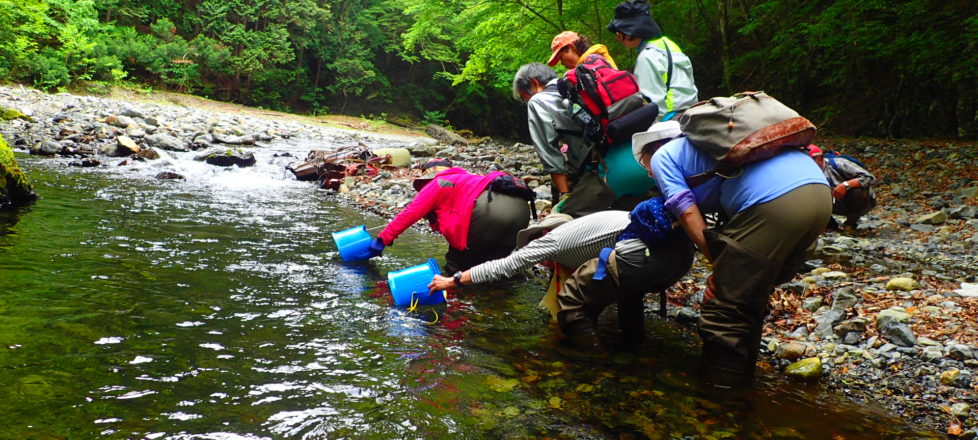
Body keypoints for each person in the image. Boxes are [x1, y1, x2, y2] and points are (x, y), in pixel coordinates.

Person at [635, 122, 831, 386]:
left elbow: (686, 211)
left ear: (652, 149)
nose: (650, 174)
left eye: (644, 166)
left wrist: (721, 266)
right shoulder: (715, 149)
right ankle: (744, 384)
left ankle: (721, 401)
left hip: (777, 202)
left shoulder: (663, 156)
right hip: (820, 193)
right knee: (751, 292)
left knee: (724, 309)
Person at [428, 207, 694, 351]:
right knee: (627, 293)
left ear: (544, 233)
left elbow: (507, 266)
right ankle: (634, 349)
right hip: (679, 258)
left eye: (534, 244)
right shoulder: (585, 231)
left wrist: (455, 280)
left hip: (643, 257)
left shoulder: (555, 238)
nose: (539, 259)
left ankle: (589, 361)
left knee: (573, 301)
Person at [369, 158, 531, 273]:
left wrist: (383, 239)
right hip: (523, 213)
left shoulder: (438, 183)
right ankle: (494, 303)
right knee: (496, 268)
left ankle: (454, 311)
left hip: (488, 214)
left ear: (429, 176)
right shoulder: (470, 179)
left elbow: (410, 213)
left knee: (457, 265)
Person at [512, 63, 597, 208]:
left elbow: (548, 151)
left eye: (523, 97)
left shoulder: (538, 101)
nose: (525, 102)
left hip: (596, 165)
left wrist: (564, 195)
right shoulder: (572, 86)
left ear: (534, 83)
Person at [607, 0, 698, 122]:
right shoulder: (668, 44)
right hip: (692, 113)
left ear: (633, 31)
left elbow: (653, 107)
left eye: (620, 32)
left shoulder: (647, 57)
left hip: (671, 119)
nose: (618, 38)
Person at [808, 145, 877, 233]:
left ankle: (850, 224)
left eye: (814, 159)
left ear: (821, 157)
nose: (811, 163)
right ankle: (830, 226)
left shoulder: (839, 163)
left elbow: (870, 178)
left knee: (858, 191)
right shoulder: (805, 173)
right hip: (831, 204)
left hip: (859, 202)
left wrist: (846, 185)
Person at [547, 31, 618, 70]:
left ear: (572, 47)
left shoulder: (593, 65)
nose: (562, 63)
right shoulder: (601, 58)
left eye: (561, 57)